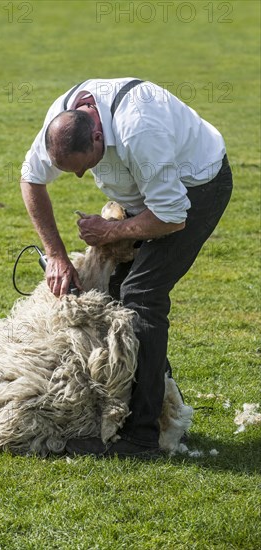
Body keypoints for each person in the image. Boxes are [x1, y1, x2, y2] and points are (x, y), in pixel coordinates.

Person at [20, 78, 233, 458]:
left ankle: (143, 437)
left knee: (142, 295)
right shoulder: (61, 118)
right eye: (70, 171)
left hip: (194, 190)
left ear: (98, 136)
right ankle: (159, 404)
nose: (82, 178)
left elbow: (171, 217)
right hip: (145, 193)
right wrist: (56, 255)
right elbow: (31, 181)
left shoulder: (140, 129)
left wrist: (110, 230)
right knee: (115, 296)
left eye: (86, 167)